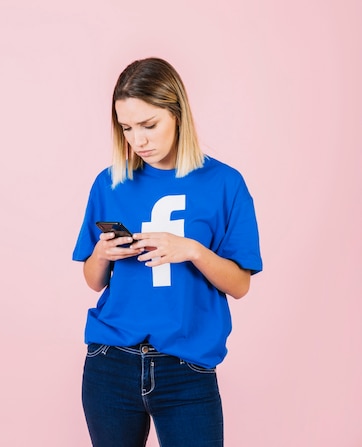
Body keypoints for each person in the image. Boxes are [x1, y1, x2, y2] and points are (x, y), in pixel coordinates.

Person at [72, 57, 263, 447]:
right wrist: (103, 253)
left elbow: (240, 284)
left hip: (186, 368)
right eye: (126, 128)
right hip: (110, 362)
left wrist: (192, 250)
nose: (138, 141)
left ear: (178, 115)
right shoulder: (109, 183)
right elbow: (93, 281)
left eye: (149, 125)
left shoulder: (225, 183)